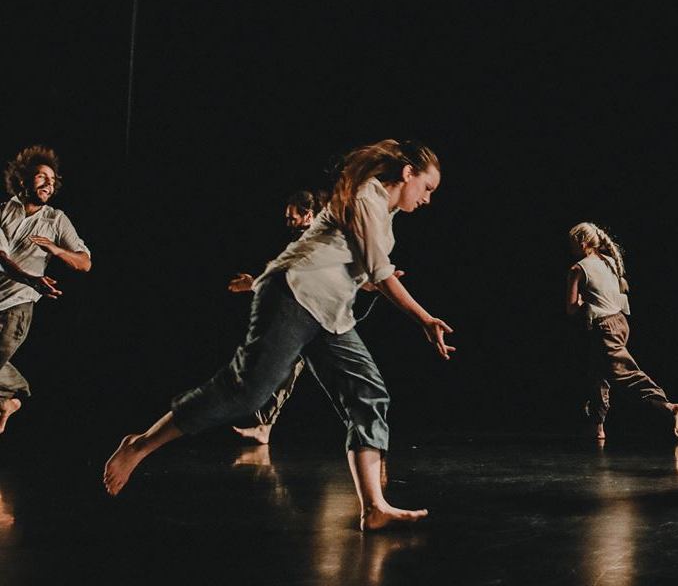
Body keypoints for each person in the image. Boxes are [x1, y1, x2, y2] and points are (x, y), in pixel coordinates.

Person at [103, 140, 453, 530]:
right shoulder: (365, 196)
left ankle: (374, 507)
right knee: (246, 392)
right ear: (407, 173)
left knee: (368, 393)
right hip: (294, 295)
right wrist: (424, 318)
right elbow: (377, 269)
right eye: (427, 188)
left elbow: (355, 265)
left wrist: (369, 283)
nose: (427, 199)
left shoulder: (385, 212)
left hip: (330, 312)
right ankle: (140, 444)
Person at [0, 145, 93, 434]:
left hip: (17, 307)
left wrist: (56, 249)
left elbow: (84, 263)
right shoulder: (3, 211)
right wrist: (30, 277)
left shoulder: (56, 219)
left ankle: (10, 397)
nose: (48, 184)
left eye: (52, 181)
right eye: (42, 176)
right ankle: (10, 397)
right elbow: (1, 257)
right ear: (23, 179)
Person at [566, 221, 678, 443]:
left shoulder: (577, 269)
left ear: (582, 243)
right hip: (619, 322)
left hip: (604, 327)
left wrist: (581, 301)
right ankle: (598, 426)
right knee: (598, 374)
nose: (570, 248)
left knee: (625, 374)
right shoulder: (609, 261)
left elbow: (571, 309)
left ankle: (667, 406)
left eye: (572, 243)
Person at [226, 189, 324, 444]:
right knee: (283, 368)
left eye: (293, 218)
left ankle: (368, 439)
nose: (288, 222)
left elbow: (293, 278)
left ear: (308, 215)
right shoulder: (302, 239)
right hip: (305, 319)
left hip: (319, 320)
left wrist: (253, 284)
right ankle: (264, 426)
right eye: (287, 218)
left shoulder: (316, 239)